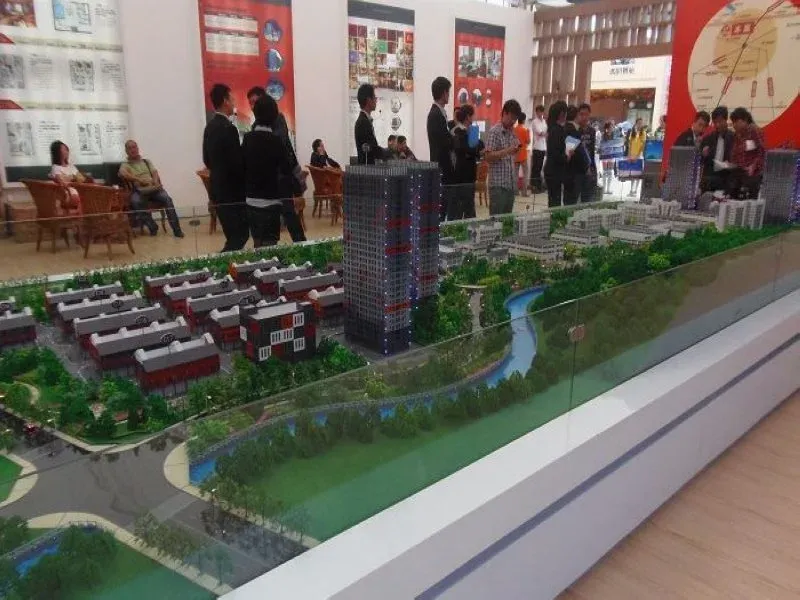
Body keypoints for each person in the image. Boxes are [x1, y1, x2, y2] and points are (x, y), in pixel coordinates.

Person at [248, 85, 306, 242]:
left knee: (289, 213)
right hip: (268, 182)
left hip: (281, 176)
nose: (252, 106)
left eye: (255, 102)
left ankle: (301, 243)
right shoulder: (254, 126)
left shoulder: (278, 119)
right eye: (250, 103)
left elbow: (278, 144)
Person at [203, 83, 248, 252]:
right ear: (225, 101)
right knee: (240, 235)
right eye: (232, 99)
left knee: (233, 235)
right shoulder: (229, 129)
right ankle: (223, 263)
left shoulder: (209, 127)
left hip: (218, 189)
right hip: (232, 192)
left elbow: (206, 159)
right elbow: (236, 163)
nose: (234, 102)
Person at [118, 140, 183, 237]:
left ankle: (177, 230)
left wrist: (155, 182)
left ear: (137, 148)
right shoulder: (126, 164)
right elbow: (122, 173)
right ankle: (152, 226)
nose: (133, 150)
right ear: (126, 151)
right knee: (135, 201)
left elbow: (154, 172)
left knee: (167, 199)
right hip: (140, 190)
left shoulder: (146, 161)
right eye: (130, 148)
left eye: (134, 147)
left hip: (153, 188)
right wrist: (139, 179)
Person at [484, 99, 522, 216]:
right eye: (512, 118)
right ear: (504, 113)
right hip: (497, 186)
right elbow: (488, 156)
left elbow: (513, 153)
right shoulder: (494, 132)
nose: (513, 121)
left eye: (515, 119)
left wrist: (516, 149)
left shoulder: (512, 133)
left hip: (510, 184)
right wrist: (507, 151)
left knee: (507, 221)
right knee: (496, 221)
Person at [449, 104, 484, 220]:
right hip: (460, 175)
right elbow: (468, 149)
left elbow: (480, 145)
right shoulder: (457, 131)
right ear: (468, 116)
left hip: (469, 174)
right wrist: (474, 150)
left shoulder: (471, 131)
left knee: (469, 207)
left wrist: (474, 150)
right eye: (473, 115)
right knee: (460, 210)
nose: (474, 117)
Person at [427, 76, 454, 220]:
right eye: (448, 92)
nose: (449, 95)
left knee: (444, 210)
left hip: (443, 169)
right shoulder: (435, 114)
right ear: (444, 93)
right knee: (441, 213)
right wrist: (455, 138)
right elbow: (445, 142)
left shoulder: (439, 113)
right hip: (441, 168)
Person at [728, 107, 765, 198]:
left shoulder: (754, 130)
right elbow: (735, 154)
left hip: (753, 173)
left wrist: (753, 166)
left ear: (745, 120)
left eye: (736, 122)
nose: (734, 125)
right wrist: (730, 164)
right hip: (739, 172)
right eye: (733, 122)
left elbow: (762, 151)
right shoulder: (737, 134)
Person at [699, 106, 735, 193]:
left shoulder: (734, 138)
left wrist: (730, 165)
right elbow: (699, 161)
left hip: (727, 180)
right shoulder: (707, 139)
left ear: (726, 120)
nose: (717, 125)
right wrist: (703, 155)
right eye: (715, 122)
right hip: (709, 181)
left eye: (720, 121)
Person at [49, 141, 91, 212]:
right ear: (57, 152)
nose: (67, 152)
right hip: (69, 193)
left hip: (80, 189)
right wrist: (73, 178)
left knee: (95, 191)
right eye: (64, 149)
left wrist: (74, 178)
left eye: (67, 149)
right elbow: (62, 182)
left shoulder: (71, 166)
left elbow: (81, 179)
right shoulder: (56, 168)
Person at [543, 101, 571, 208]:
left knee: (554, 200)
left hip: (552, 169)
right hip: (554, 171)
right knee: (555, 201)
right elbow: (556, 153)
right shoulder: (557, 130)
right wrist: (567, 156)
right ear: (561, 114)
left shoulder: (552, 128)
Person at [355, 84, 386, 165]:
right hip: (367, 169)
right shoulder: (363, 122)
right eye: (374, 97)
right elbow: (372, 148)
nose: (376, 100)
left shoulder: (365, 120)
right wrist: (389, 152)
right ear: (369, 100)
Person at [576, 103, 598, 203]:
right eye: (581, 114)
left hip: (590, 169)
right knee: (574, 200)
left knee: (587, 199)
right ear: (578, 115)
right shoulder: (575, 130)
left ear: (589, 115)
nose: (584, 117)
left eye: (586, 114)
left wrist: (592, 168)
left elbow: (592, 151)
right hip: (576, 170)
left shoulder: (592, 131)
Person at [625, 118, 646, 197]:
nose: (640, 124)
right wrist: (629, 154)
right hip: (632, 155)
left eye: (641, 123)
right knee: (632, 173)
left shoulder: (643, 132)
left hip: (639, 155)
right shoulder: (632, 132)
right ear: (636, 123)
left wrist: (638, 156)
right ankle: (631, 190)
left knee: (638, 174)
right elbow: (630, 144)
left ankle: (635, 191)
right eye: (638, 123)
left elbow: (642, 145)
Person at [530, 104, 547, 193]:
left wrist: (545, 134)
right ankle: (534, 186)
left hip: (543, 147)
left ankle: (539, 186)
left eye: (541, 111)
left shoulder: (544, 121)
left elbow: (546, 132)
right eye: (538, 111)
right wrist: (545, 134)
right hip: (537, 147)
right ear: (536, 112)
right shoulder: (534, 122)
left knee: (540, 167)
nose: (540, 113)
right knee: (535, 168)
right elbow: (540, 133)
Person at [513, 113, 531, 197]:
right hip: (523, 154)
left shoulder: (514, 129)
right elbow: (528, 141)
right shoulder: (525, 130)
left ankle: (515, 192)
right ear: (523, 120)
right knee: (525, 173)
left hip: (515, 154)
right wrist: (528, 133)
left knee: (515, 174)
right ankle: (524, 192)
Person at [600, 121, 616, 195]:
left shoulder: (615, 135)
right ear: (608, 127)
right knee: (604, 172)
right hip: (605, 155)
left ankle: (608, 189)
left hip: (612, 155)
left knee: (610, 172)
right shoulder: (603, 135)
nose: (613, 127)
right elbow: (601, 145)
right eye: (611, 126)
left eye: (613, 126)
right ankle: (603, 189)